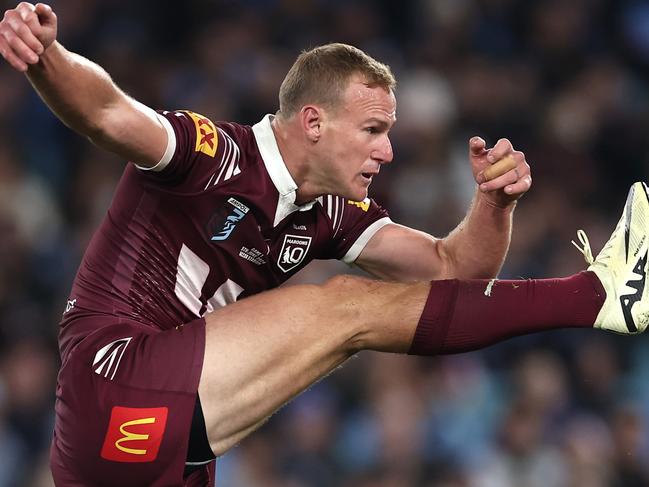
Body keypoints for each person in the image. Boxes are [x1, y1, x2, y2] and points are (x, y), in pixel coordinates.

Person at [1, 2, 648, 486]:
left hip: (166, 442)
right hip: (114, 384)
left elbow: (454, 271)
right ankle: (595, 294)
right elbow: (108, 112)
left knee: (352, 304)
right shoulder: (215, 154)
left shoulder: (332, 214)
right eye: (371, 128)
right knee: (343, 303)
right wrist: (46, 55)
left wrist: (493, 206)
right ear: (313, 121)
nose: (387, 149)